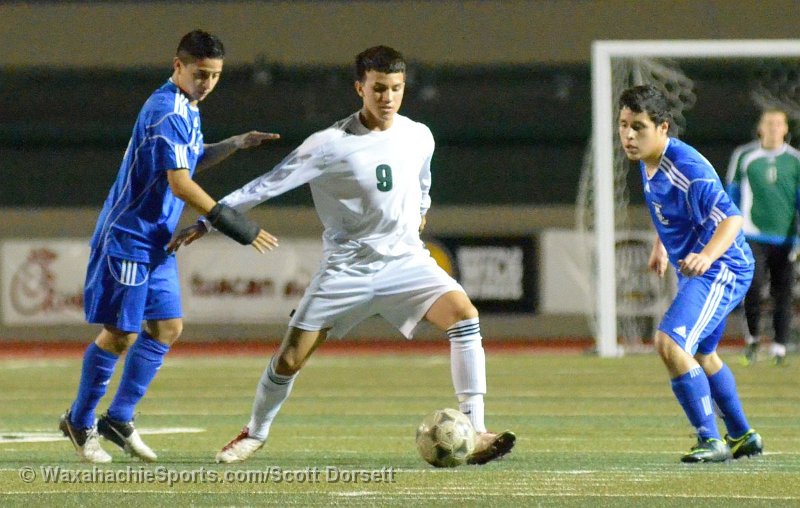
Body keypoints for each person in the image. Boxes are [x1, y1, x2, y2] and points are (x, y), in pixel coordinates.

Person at [169, 45, 516, 465]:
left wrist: (421, 209)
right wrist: (210, 220)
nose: (387, 97)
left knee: (464, 315)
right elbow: (267, 184)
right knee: (289, 359)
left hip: (405, 262)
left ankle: (476, 430)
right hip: (346, 269)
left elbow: (423, 180)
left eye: (396, 88)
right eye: (378, 88)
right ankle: (255, 433)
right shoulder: (329, 144)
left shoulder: (419, 135)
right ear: (359, 88)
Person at [60, 29, 280, 463]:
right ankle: (79, 421)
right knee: (120, 334)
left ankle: (118, 419)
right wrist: (234, 224)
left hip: (156, 237)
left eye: (215, 76)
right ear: (178, 66)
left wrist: (234, 144)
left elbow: (189, 158)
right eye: (201, 74)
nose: (208, 83)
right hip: (128, 237)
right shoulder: (167, 111)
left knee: (167, 327)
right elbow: (180, 183)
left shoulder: (186, 106)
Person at [618, 84, 762, 463]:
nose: (629, 136)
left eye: (638, 127)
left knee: (670, 343)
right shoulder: (649, 159)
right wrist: (661, 245)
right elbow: (671, 209)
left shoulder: (688, 170)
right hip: (703, 269)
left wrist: (706, 256)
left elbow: (732, 219)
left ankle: (710, 440)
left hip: (723, 267)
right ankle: (742, 435)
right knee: (702, 354)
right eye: (624, 125)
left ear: (663, 128)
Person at [725, 108, 800, 366]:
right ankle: (753, 340)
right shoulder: (744, 156)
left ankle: (779, 348)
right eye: (769, 123)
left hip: (786, 238)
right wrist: (730, 231)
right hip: (751, 235)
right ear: (760, 127)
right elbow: (732, 195)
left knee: (783, 293)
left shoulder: (795, 160)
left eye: (779, 123)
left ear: (786, 129)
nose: (774, 128)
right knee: (753, 287)